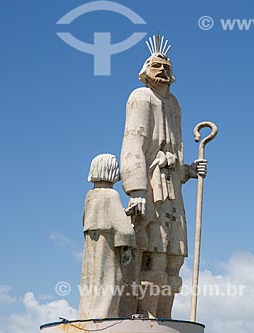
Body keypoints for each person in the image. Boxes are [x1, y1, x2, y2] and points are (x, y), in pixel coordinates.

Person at [120, 34, 207, 318]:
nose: (163, 71)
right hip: (151, 186)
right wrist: (136, 190)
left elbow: (175, 149)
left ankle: (164, 317)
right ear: (146, 71)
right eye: (157, 66)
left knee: (174, 257)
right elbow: (133, 142)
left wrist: (188, 170)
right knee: (152, 254)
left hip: (173, 192)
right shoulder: (140, 96)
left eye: (166, 66)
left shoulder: (175, 105)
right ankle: (146, 315)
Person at [78, 154, 136, 319]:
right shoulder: (111, 195)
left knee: (91, 281)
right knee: (109, 280)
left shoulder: (90, 196)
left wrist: (124, 214)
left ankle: (87, 315)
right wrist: (128, 244)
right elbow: (123, 229)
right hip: (108, 245)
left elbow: (90, 219)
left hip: (92, 242)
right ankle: (105, 315)